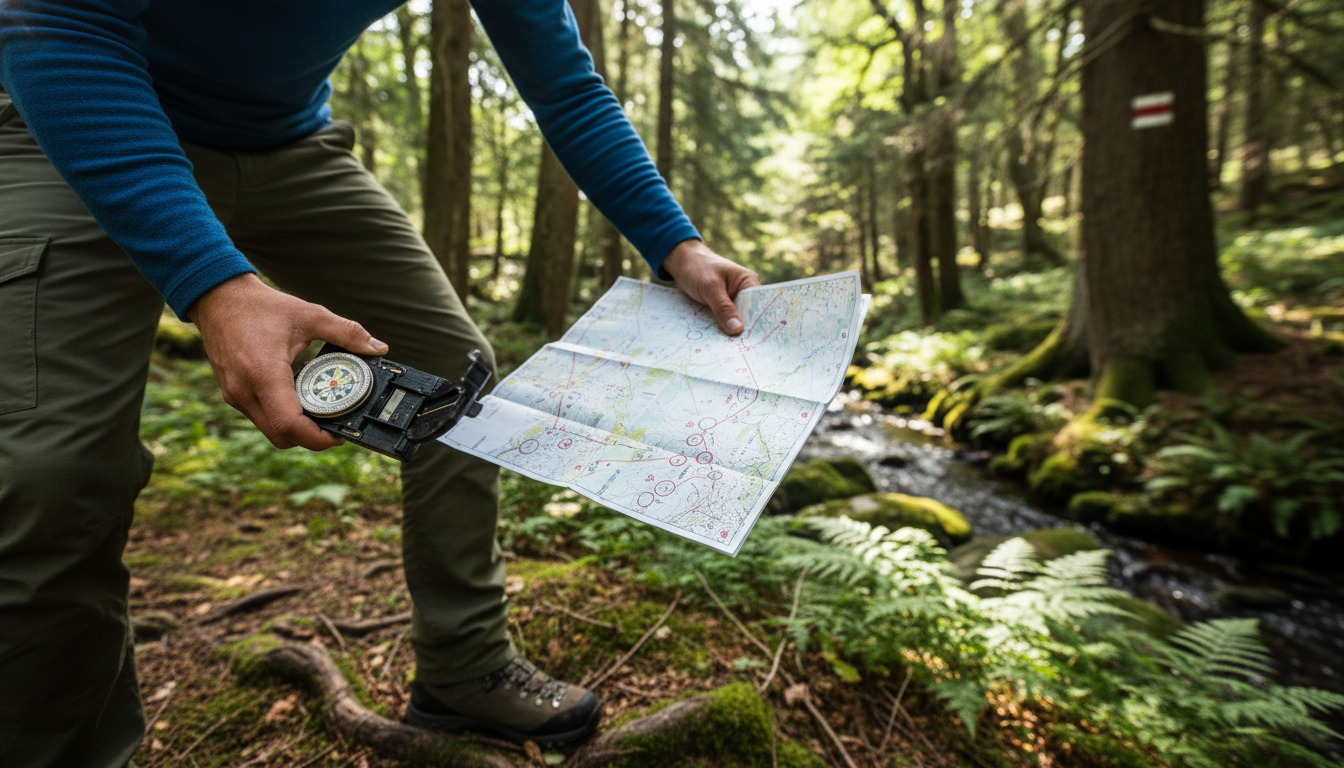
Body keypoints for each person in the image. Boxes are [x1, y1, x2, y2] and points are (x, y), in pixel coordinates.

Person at [0, 1, 760, 765]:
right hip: (76, 113)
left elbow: (565, 85)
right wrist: (213, 283)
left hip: (289, 146)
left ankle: (463, 666)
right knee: (53, 472)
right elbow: (53, 23)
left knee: (452, 380)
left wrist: (676, 245)